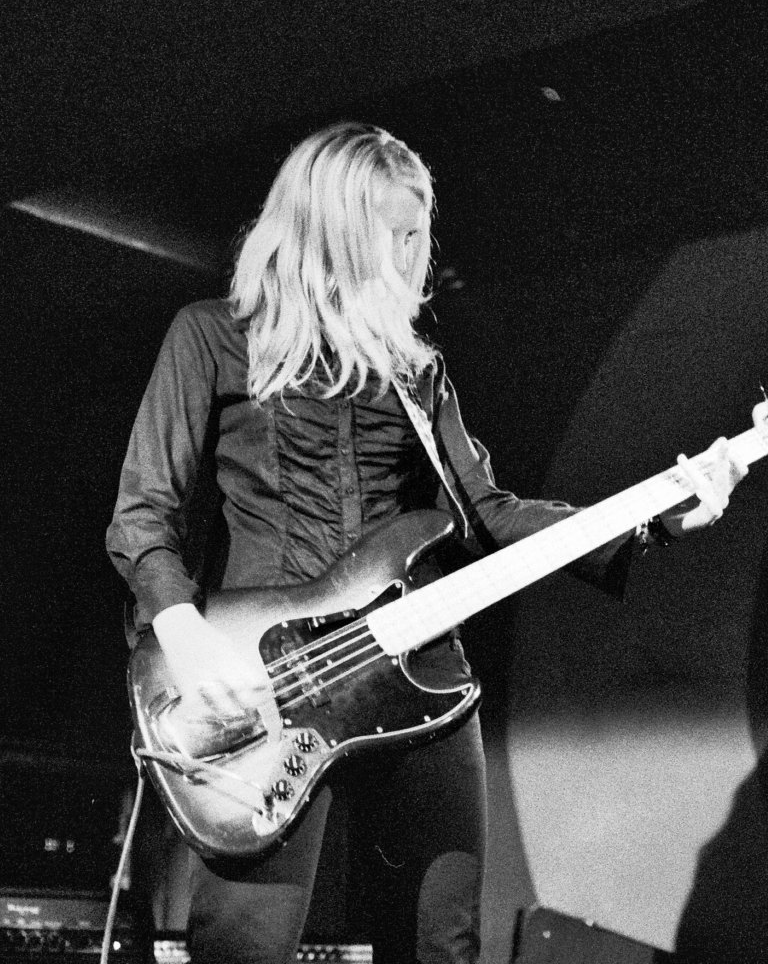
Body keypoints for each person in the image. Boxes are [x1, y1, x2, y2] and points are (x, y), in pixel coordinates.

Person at [106, 122, 752, 964]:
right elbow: (142, 515)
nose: (416, 255)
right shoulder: (211, 337)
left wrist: (660, 514)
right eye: (397, 234)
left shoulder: (417, 373)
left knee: (441, 943)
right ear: (332, 232)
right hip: (266, 686)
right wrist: (186, 637)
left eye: (421, 233)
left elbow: (489, 515)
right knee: (246, 945)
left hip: (417, 673)